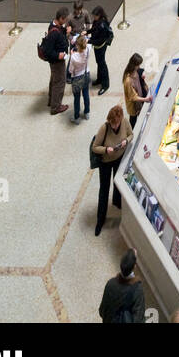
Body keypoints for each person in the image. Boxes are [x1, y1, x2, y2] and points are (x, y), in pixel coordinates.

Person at [92, 104, 132, 236]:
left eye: (115, 124)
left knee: (117, 183)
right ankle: (100, 220)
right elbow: (95, 147)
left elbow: (131, 135)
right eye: (112, 123)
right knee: (104, 190)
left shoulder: (125, 121)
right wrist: (105, 150)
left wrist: (126, 140)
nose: (113, 126)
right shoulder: (104, 128)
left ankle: (116, 201)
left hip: (118, 159)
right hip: (105, 162)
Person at [99, 247, 145, 323]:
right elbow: (139, 319)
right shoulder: (137, 290)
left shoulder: (111, 283)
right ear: (134, 266)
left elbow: (102, 311)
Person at [43, 8, 70, 115]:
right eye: (65, 19)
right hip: (57, 62)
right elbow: (48, 51)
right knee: (59, 83)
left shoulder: (54, 26)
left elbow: (59, 34)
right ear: (60, 18)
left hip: (56, 62)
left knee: (54, 80)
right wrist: (58, 55)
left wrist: (65, 31)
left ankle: (51, 101)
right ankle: (56, 107)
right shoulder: (54, 33)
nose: (66, 21)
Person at [89, 6, 113, 95]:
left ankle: (105, 84)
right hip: (96, 45)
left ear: (99, 15)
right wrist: (87, 32)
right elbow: (94, 29)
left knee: (102, 63)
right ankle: (99, 79)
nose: (93, 18)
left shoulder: (103, 25)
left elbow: (100, 40)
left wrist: (88, 41)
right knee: (98, 62)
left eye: (95, 16)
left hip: (101, 46)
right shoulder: (97, 21)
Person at [68, 32, 91, 123]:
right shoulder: (88, 49)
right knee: (86, 95)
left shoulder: (74, 57)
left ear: (77, 45)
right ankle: (87, 112)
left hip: (76, 77)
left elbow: (70, 70)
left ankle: (77, 117)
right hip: (86, 74)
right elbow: (88, 43)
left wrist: (71, 54)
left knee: (77, 98)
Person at [123, 53, 149, 129]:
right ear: (134, 65)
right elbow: (133, 97)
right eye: (138, 65)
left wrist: (143, 73)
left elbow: (141, 70)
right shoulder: (128, 80)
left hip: (139, 101)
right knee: (133, 120)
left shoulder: (134, 70)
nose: (139, 67)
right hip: (133, 104)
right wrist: (146, 99)